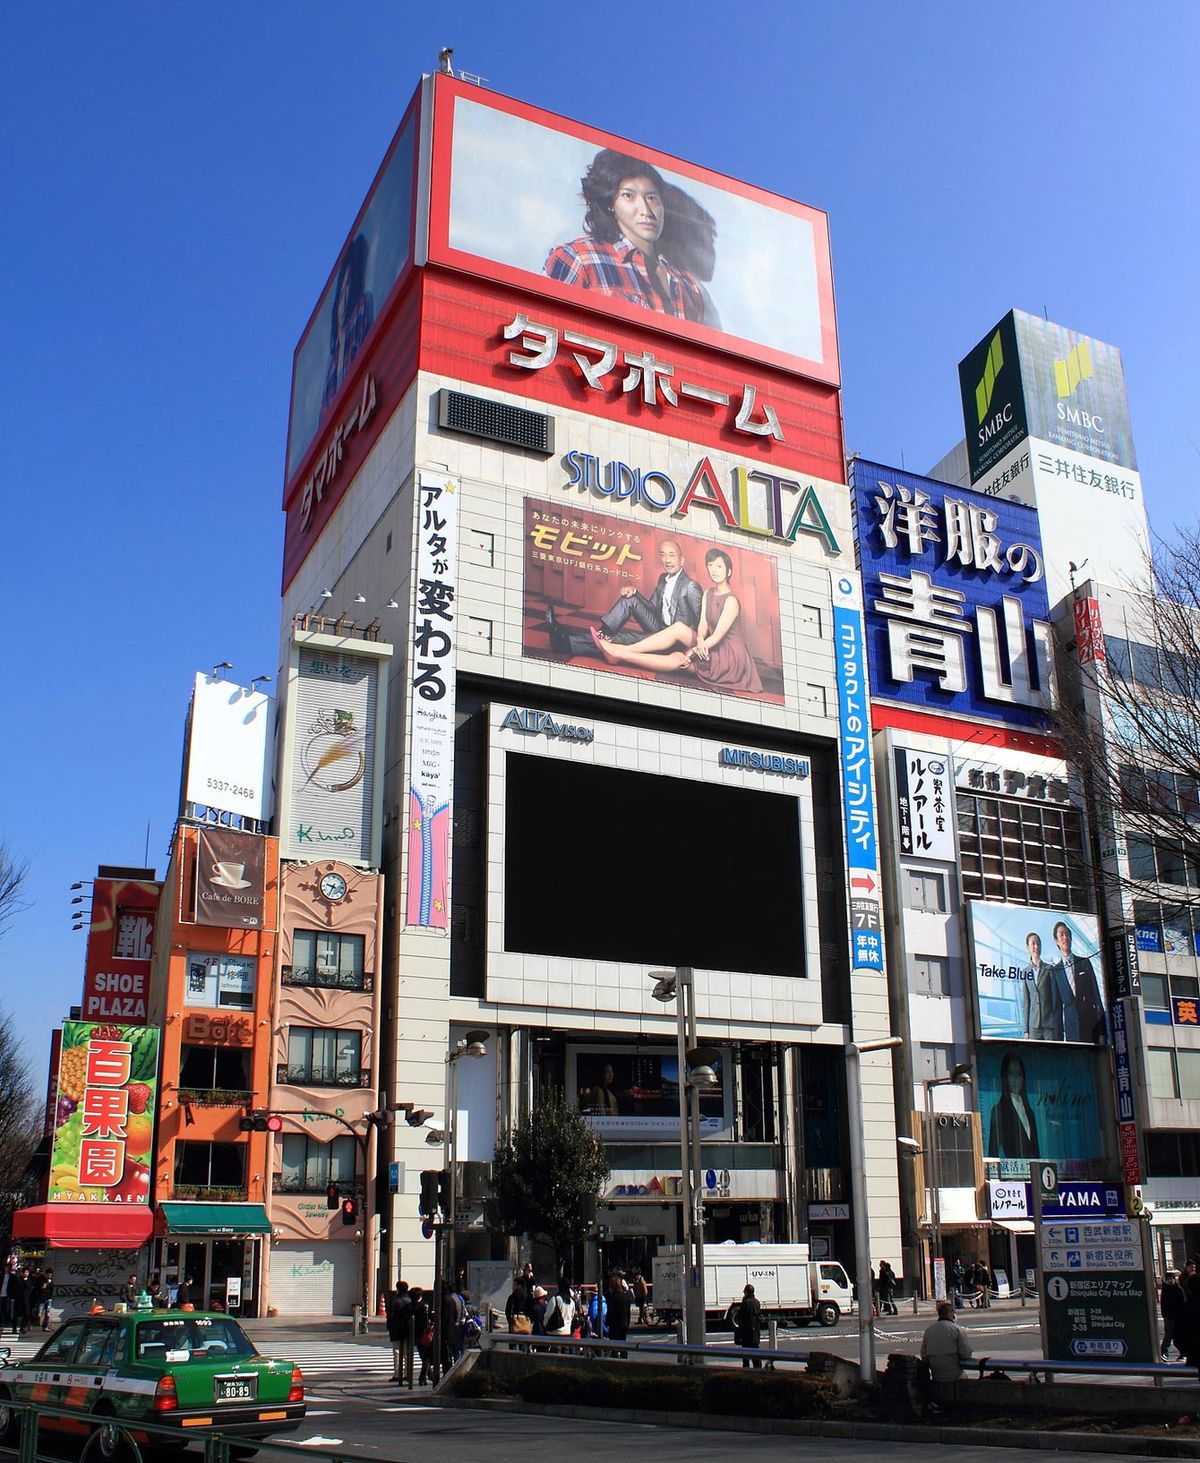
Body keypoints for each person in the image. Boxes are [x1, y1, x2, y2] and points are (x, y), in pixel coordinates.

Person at [545, 149, 705, 322]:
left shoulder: (687, 282)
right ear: (610, 205)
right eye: (628, 196)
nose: (646, 211)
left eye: (652, 198)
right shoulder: (579, 257)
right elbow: (541, 321)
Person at [591, 548, 763, 694]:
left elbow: (718, 635)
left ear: (729, 571)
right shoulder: (708, 593)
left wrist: (693, 651)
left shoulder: (732, 601)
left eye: (719, 566)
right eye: (710, 565)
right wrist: (700, 639)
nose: (714, 570)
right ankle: (621, 650)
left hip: (728, 657)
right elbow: (703, 624)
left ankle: (620, 654)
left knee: (679, 659)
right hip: (708, 645)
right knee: (679, 628)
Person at [543, 539, 703, 662]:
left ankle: (566, 643)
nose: (667, 560)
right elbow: (652, 607)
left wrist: (691, 651)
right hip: (659, 628)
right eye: (663, 555)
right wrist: (635, 593)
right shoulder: (663, 578)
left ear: (681, 560)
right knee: (630, 599)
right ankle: (601, 634)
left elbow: (701, 624)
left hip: (674, 640)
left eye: (672, 555)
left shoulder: (690, 586)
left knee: (621, 640)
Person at [321, 233, 374, 415]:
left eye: (349, 287)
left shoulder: (360, 314)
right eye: (340, 292)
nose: (343, 299)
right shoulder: (333, 364)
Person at [1048, 921, 1107, 1044]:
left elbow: (1097, 998)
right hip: (1071, 1030)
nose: (1065, 937)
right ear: (1056, 941)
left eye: (1067, 934)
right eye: (1061, 935)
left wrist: (1102, 1032)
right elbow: (1056, 1009)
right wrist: (1057, 1041)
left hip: (1091, 1025)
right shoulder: (1055, 971)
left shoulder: (1084, 963)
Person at [987, 1050, 1041, 1160]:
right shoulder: (999, 1110)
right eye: (1011, 1074)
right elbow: (993, 1152)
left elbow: (1035, 1151)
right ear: (1005, 1078)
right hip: (1013, 1172)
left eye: (1019, 1074)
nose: (1015, 1079)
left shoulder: (1030, 1113)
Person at [921, 1299, 973, 1383]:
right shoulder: (957, 1329)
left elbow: (924, 1354)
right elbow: (966, 1354)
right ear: (951, 1314)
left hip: (936, 1375)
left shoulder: (929, 1330)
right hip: (955, 1375)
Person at [1023, 931, 1058, 1041]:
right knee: (1035, 1056)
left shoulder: (1049, 969)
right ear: (1028, 947)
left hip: (1049, 1024)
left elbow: (1054, 998)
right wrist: (1026, 1030)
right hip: (1033, 1026)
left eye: (1038, 943)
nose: (1036, 946)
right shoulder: (1025, 972)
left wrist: (1055, 1022)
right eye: (1033, 943)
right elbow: (1026, 1003)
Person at [387, 1281, 413, 1384]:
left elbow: (390, 1316)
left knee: (397, 1352)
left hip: (396, 1330)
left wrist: (389, 1327)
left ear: (397, 1288)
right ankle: (407, 1374)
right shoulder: (410, 1300)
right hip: (408, 1330)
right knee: (407, 1353)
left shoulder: (394, 1301)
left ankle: (398, 1374)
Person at [732, 1283, 763, 1367]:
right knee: (756, 1356)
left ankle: (747, 1372)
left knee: (746, 1357)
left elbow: (741, 1317)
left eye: (744, 1292)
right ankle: (759, 1371)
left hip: (747, 1333)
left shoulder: (746, 1303)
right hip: (755, 1333)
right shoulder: (757, 1302)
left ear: (747, 1292)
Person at [410, 1286, 433, 1386]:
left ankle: (430, 1375)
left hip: (415, 1334)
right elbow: (430, 1319)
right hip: (425, 1334)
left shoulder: (409, 1306)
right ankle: (423, 1377)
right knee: (426, 1357)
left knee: (423, 1356)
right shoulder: (425, 1306)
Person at [605, 1272, 631, 1358]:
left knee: (614, 1346)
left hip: (614, 1324)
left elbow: (610, 1312)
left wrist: (607, 1321)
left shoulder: (612, 1297)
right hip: (624, 1324)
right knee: (623, 1344)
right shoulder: (625, 1297)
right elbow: (628, 1312)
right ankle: (624, 1359)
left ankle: (615, 1361)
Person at [1162, 1271, 1185, 1361]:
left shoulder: (1178, 1290)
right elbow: (1163, 1304)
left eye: (1171, 1279)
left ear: (1174, 1280)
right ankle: (1164, 1352)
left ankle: (1183, 1353)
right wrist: (1164, 1315)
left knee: (1178, 1336)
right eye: (1168, 1280)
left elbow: (1183, 1303)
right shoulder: (1165, 1290)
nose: (1169, 1281)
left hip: (1178, 1317)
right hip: (1168, 1317)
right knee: (1168, 1335)